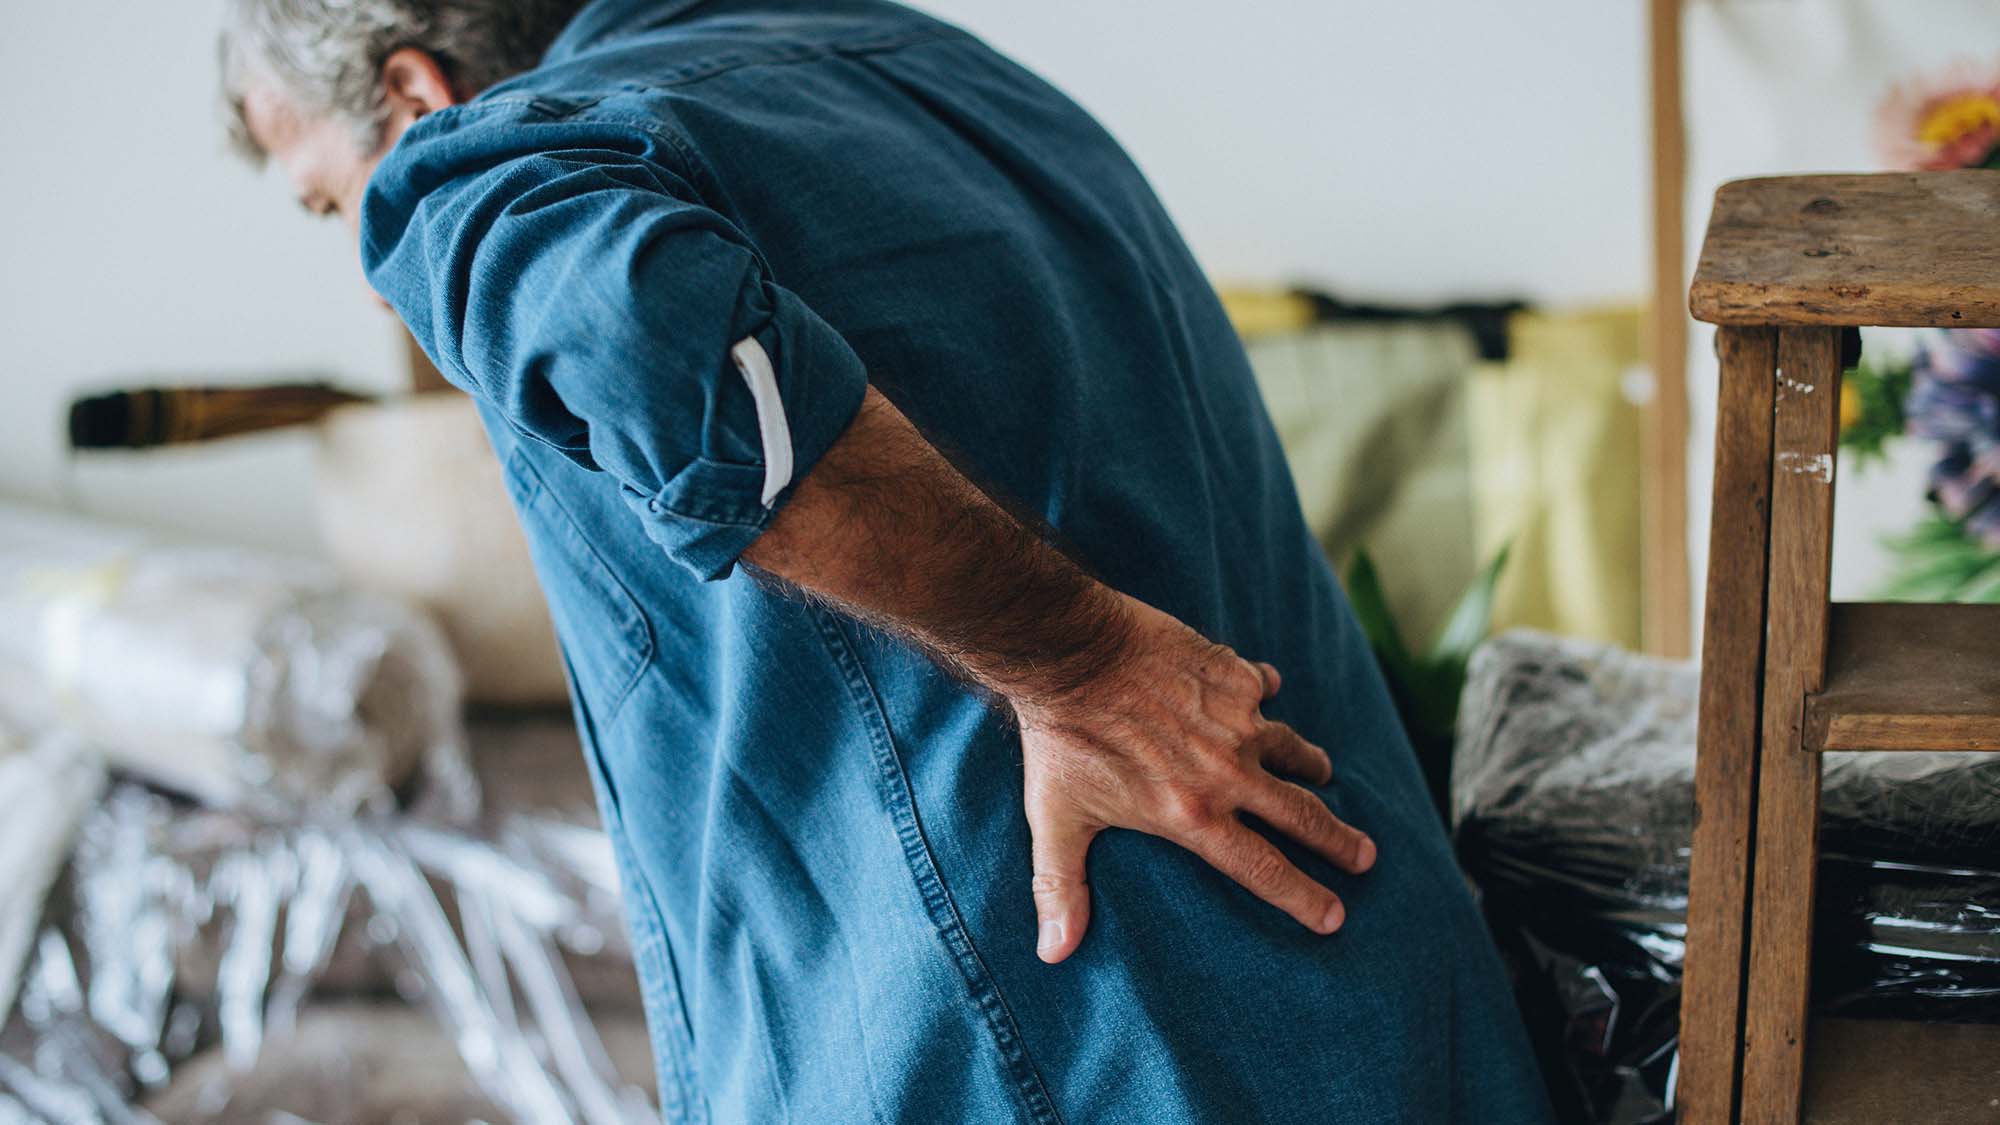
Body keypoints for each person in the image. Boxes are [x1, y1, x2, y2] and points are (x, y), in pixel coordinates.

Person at [219, 1, 1552, 1120]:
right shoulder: (957, 80)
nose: (373, 269)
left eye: (333, 199)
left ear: (416, 95)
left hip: (1072, 1041)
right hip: (1385, 999)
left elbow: (628, 323)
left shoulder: (489, 165)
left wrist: (1076, 659)